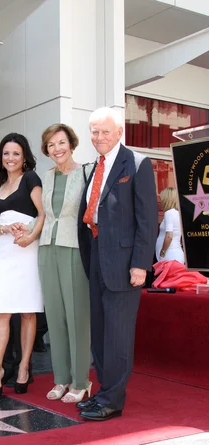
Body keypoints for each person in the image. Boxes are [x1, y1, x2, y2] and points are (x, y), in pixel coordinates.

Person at [77, 107, 158, 421]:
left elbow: (147, 219)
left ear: (119, 132)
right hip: (97, 255)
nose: (98, 137)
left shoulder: (137, 163)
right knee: (99, 331)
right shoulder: (94, 166)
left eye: (104, 131)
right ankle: (103, 392)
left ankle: (113, 400)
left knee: (118, 334)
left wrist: (140, 264)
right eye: (94, 132)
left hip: (125, 264)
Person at [0, 133, 45, 399]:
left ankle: (23, 368)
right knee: (2, 314)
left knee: (28, 313)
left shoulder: (31, 179)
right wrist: (5, 227)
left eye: (16, 154)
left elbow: (43, 213)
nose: (10, 158)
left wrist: (30, 236)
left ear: (24, 158)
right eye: (6, 153)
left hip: (27, 250)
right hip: (3, 253)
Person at [39, 124, 93, 403]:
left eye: (61, 143)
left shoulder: (86, 172)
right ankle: (61, 379)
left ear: (71, 144)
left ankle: (81, 381)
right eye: (51, 145)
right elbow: (42, 215)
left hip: (73, 249)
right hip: (47, 248)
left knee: (76, 317)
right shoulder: (46, 177)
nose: (57, 148)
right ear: (46, 150)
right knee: (55, 318)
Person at [155, 187, 184, 264]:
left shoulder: (169, 213)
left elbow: (169, 236)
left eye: (162, 199)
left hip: (170, 256)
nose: (161, 201)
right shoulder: (178, 213)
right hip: (175, 255)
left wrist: (162, 251)